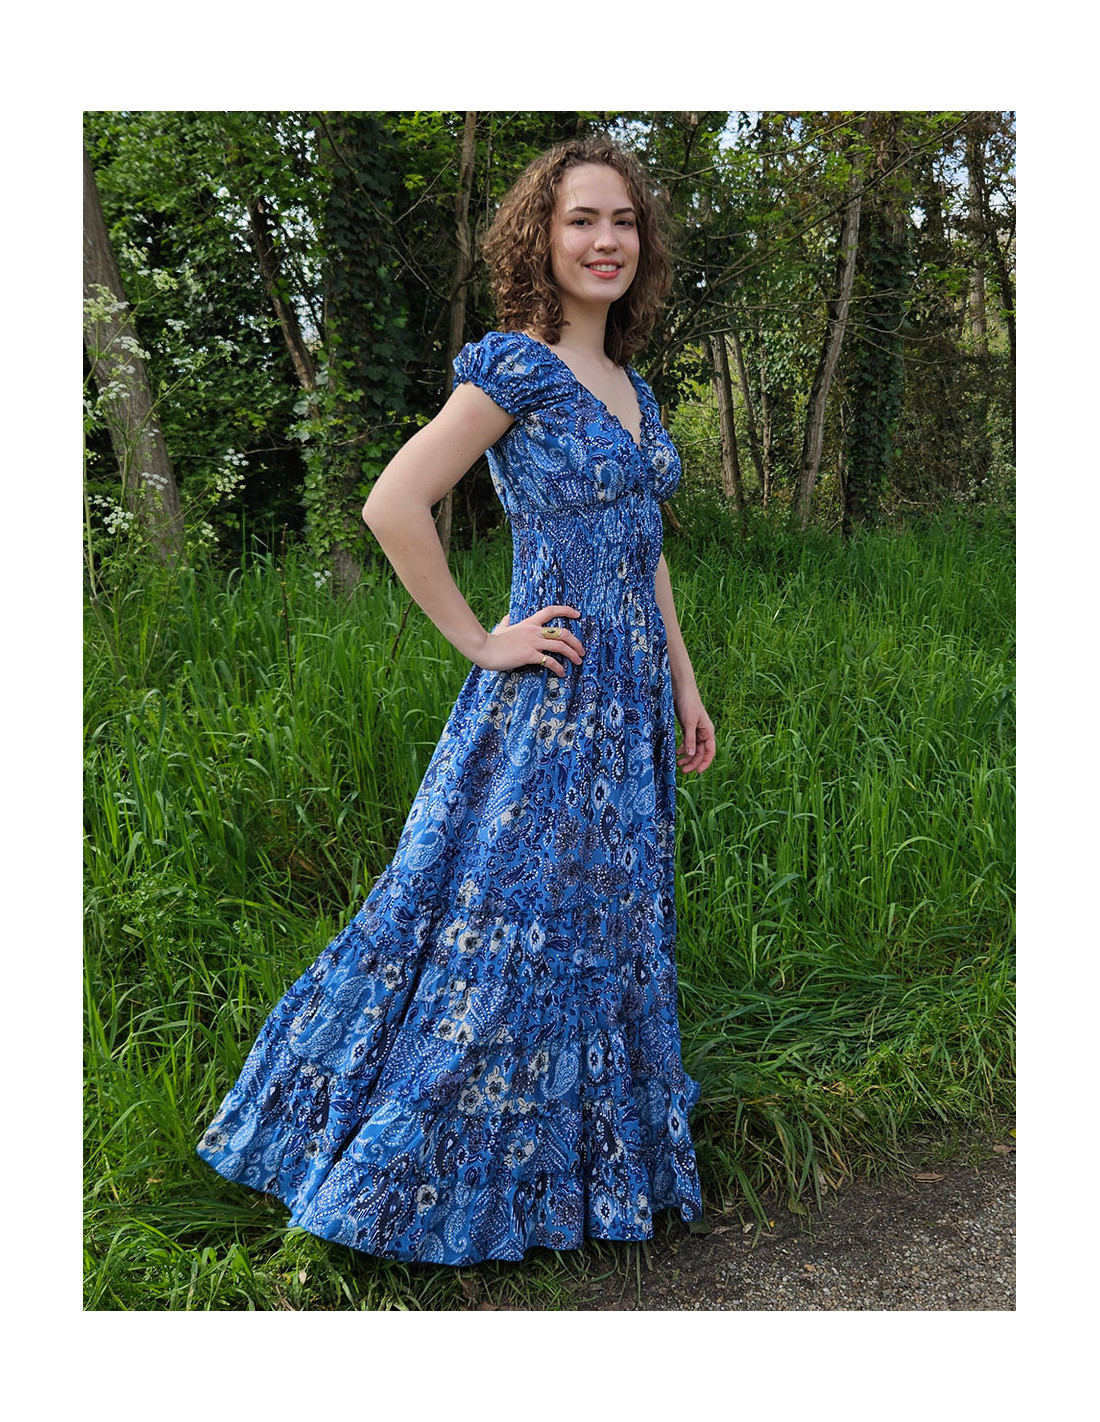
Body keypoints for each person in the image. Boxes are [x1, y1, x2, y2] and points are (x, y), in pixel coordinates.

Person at [196, 136, 717, 1266]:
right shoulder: (517, 369)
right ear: (542, 238)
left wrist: (683, 680)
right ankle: (413, 1171)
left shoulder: (633, 388)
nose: (606, 241)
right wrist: (482, 641)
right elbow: (394, 503)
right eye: (581, 220)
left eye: (623, 221)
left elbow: (645, 549)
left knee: (603, 928)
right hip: (552, 701)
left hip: (631, 708)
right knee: (502, 928)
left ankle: (581, 1175)